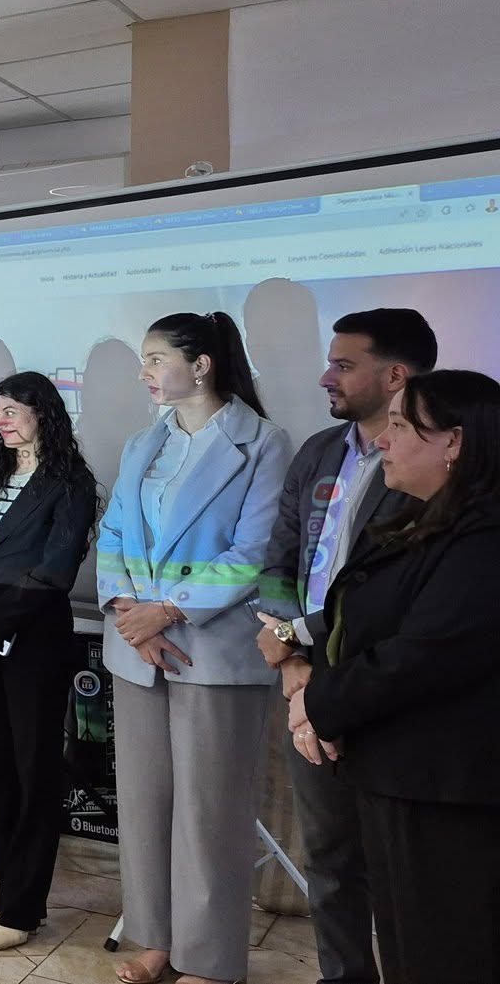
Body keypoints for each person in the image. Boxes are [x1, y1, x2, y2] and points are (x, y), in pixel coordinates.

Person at [98, 311, 292, 984]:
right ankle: (155, 937)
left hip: (212, 650)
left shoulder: (262, 442)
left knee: (210, 812)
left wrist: (169, 610)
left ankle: (208, 958)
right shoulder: (141, 443)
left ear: (201, 364)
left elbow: (256, 550)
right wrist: (132, 613)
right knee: (145, 805)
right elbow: (114, 532)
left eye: (156, 358)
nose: (145, 373)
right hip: (137, 649)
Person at [288, 370, 500, 984]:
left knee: (445, 952)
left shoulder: (484, 538)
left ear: (454, 441)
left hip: (447, 791)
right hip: (398, 775)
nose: (383, 439)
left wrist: (319, 702)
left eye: (402, 426)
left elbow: (424, 655)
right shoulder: (427, 519)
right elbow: (359, 616)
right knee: (409, 947)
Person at [256, 308, 434, 984]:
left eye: (344, 364)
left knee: (405, 866)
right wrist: (292, 657)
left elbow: (398, 591)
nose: (326, 376)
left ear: (396, 375)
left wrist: (298, 646)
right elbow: (278, 560)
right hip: (308, 679)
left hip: (386, 685)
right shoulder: (318, 451)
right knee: (329, 859)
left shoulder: (433, 463)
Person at [0, 372, 100, 948]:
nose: (2, 420)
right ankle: (6, 890)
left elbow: (55, 571)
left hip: (32, 636)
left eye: (12, 410)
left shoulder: (71, 482)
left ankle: (25, 905)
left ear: (43, 413)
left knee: (35, 772)